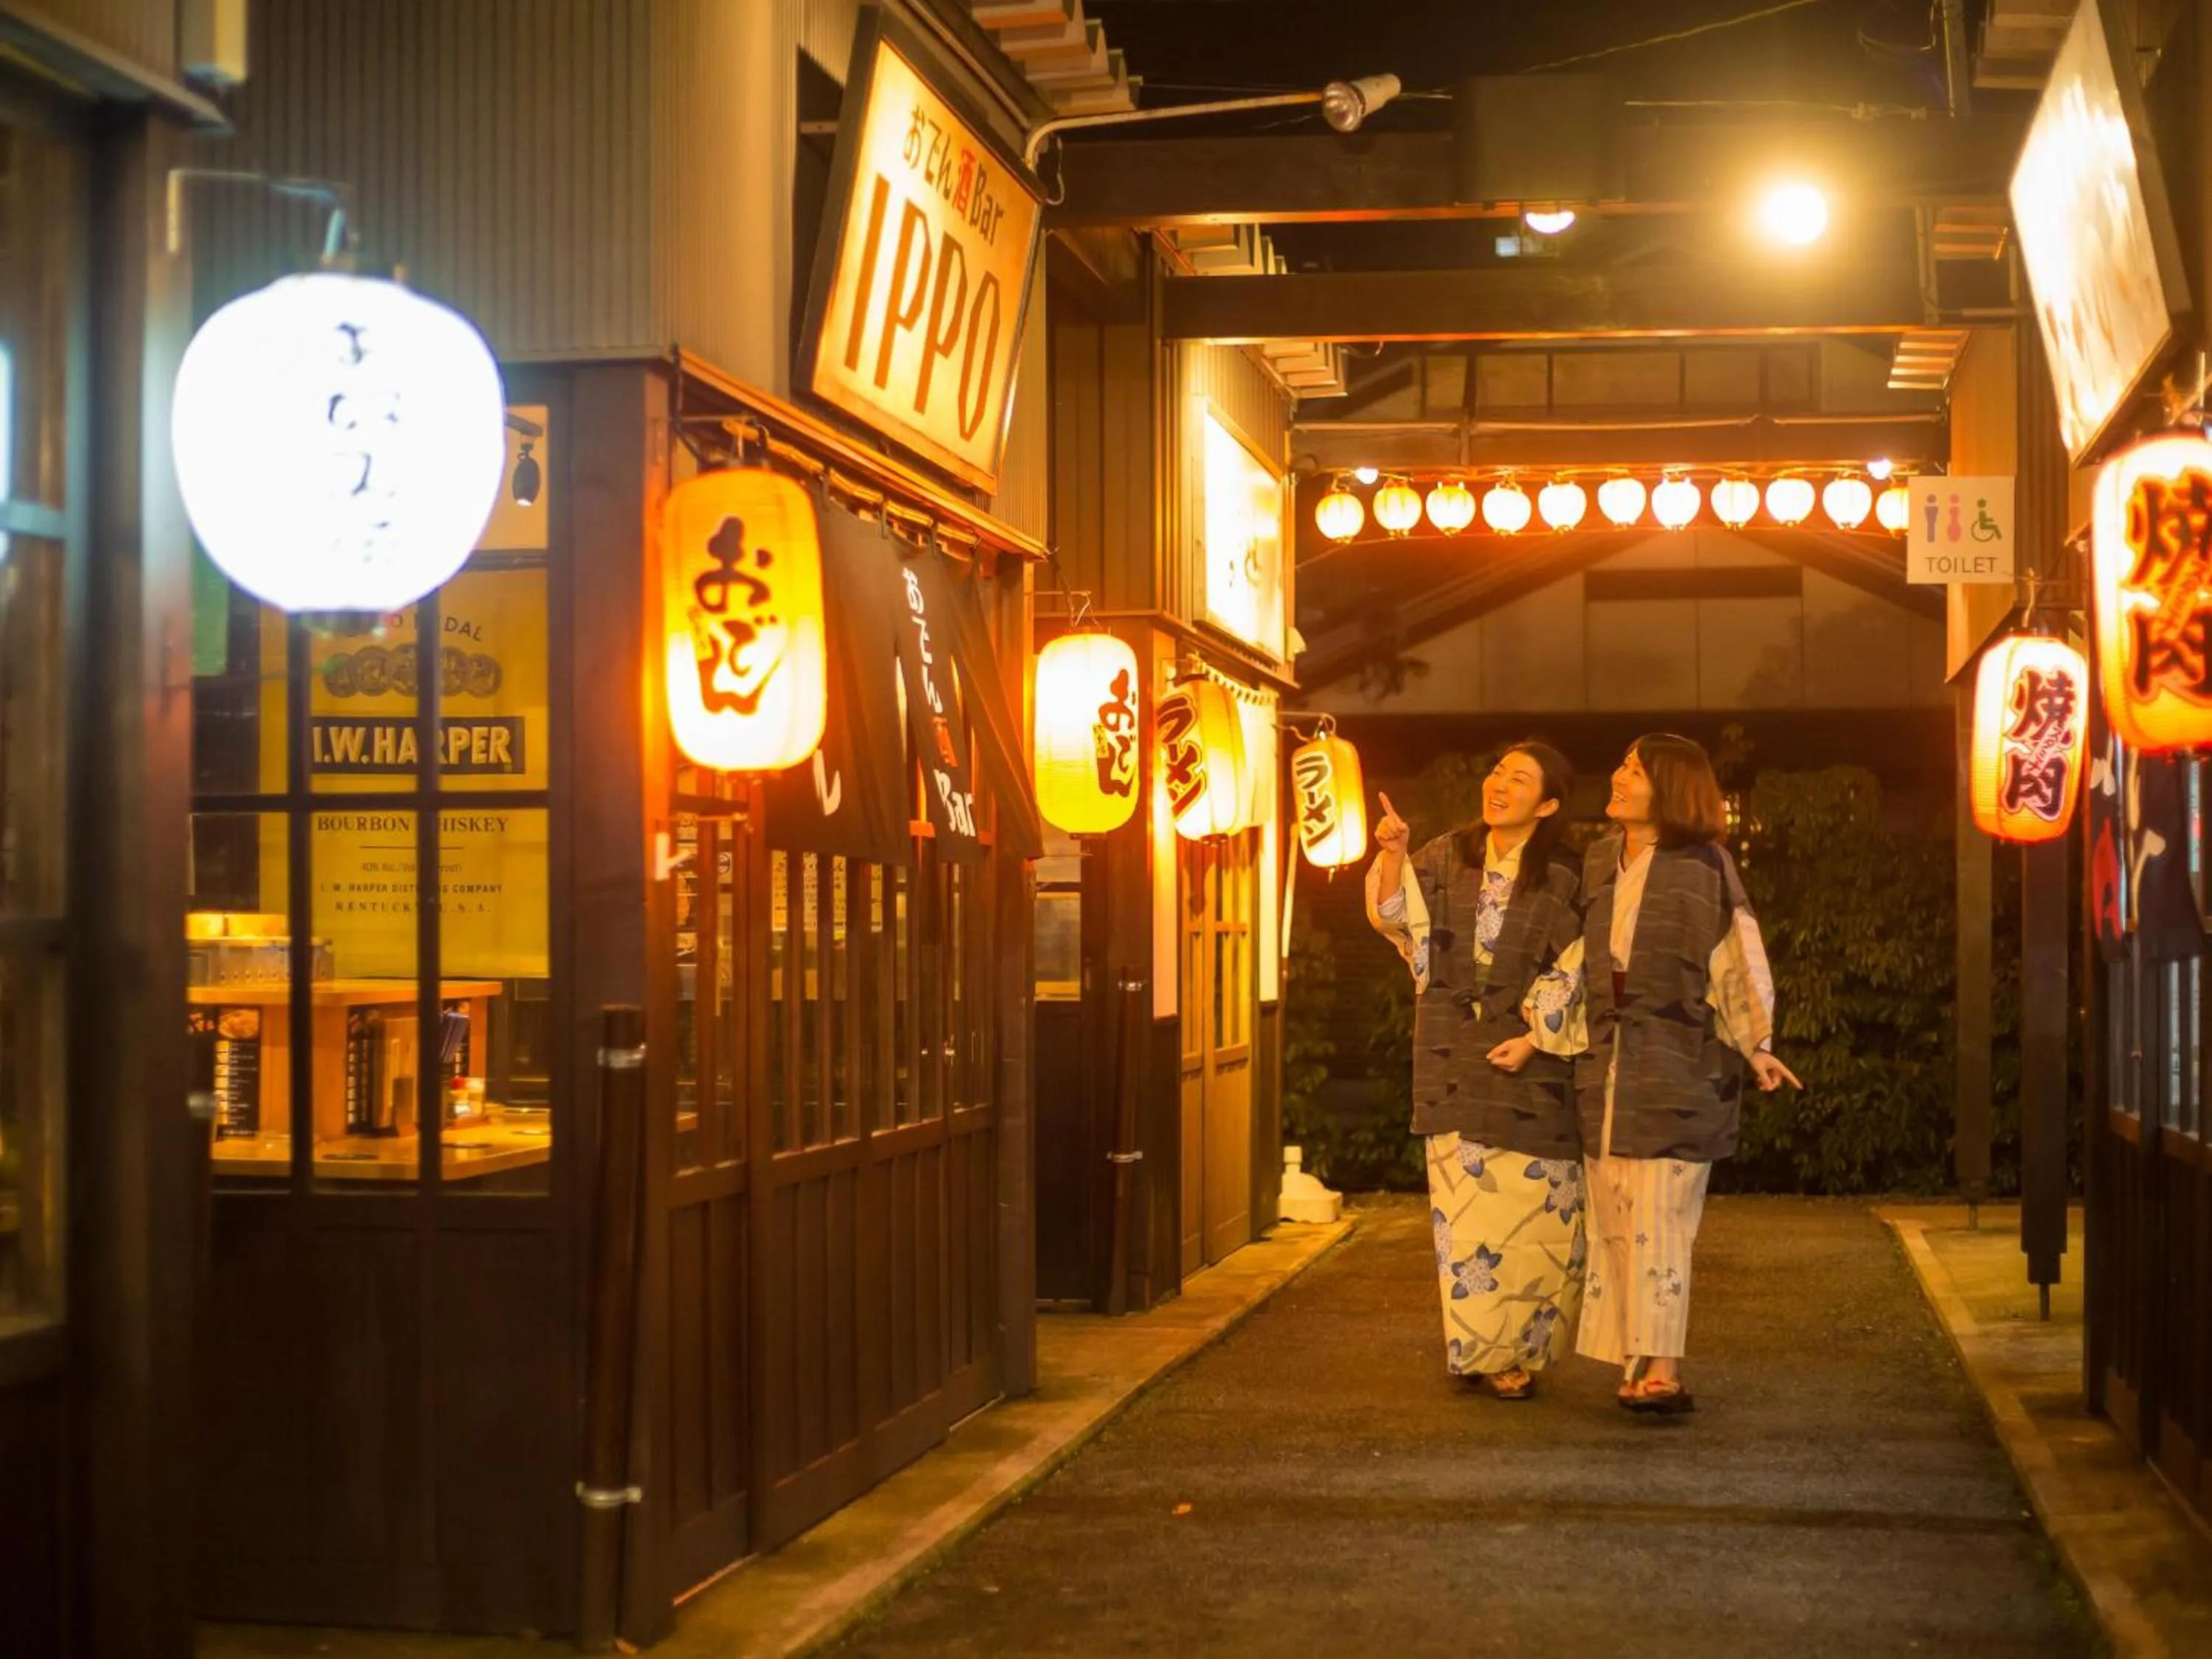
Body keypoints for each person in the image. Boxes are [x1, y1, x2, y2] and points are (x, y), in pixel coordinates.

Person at [1568, 734, 1799, 1416]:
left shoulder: (1706, 865)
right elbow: (1578, 956)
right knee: (1614, 1212)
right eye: (1621, 763)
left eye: (1634, 770)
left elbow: (1735, 954)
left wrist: (1755, 1042)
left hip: (1679, 1063)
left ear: (1669, 787)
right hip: (1606, 1063)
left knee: (1664, 1217)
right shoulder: (1599, 860)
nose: (1618, 776)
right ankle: (1632, 1356)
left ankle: (1661, 1362)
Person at [1367, 742, 1587, 1401]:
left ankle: (1523, 1347)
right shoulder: (1443, 855)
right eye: (1496, 771)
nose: (1499, 784)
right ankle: (1488, 1355)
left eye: (1519, 779)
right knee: (1467, 1220)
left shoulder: (1564, 877)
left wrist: (1535, 1037)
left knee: (1545, 1213)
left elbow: (1577, 964)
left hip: (1530, 1060)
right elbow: (1395, 918)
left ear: (1547, 804)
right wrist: (1392, 855)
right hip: (1452, 1049)